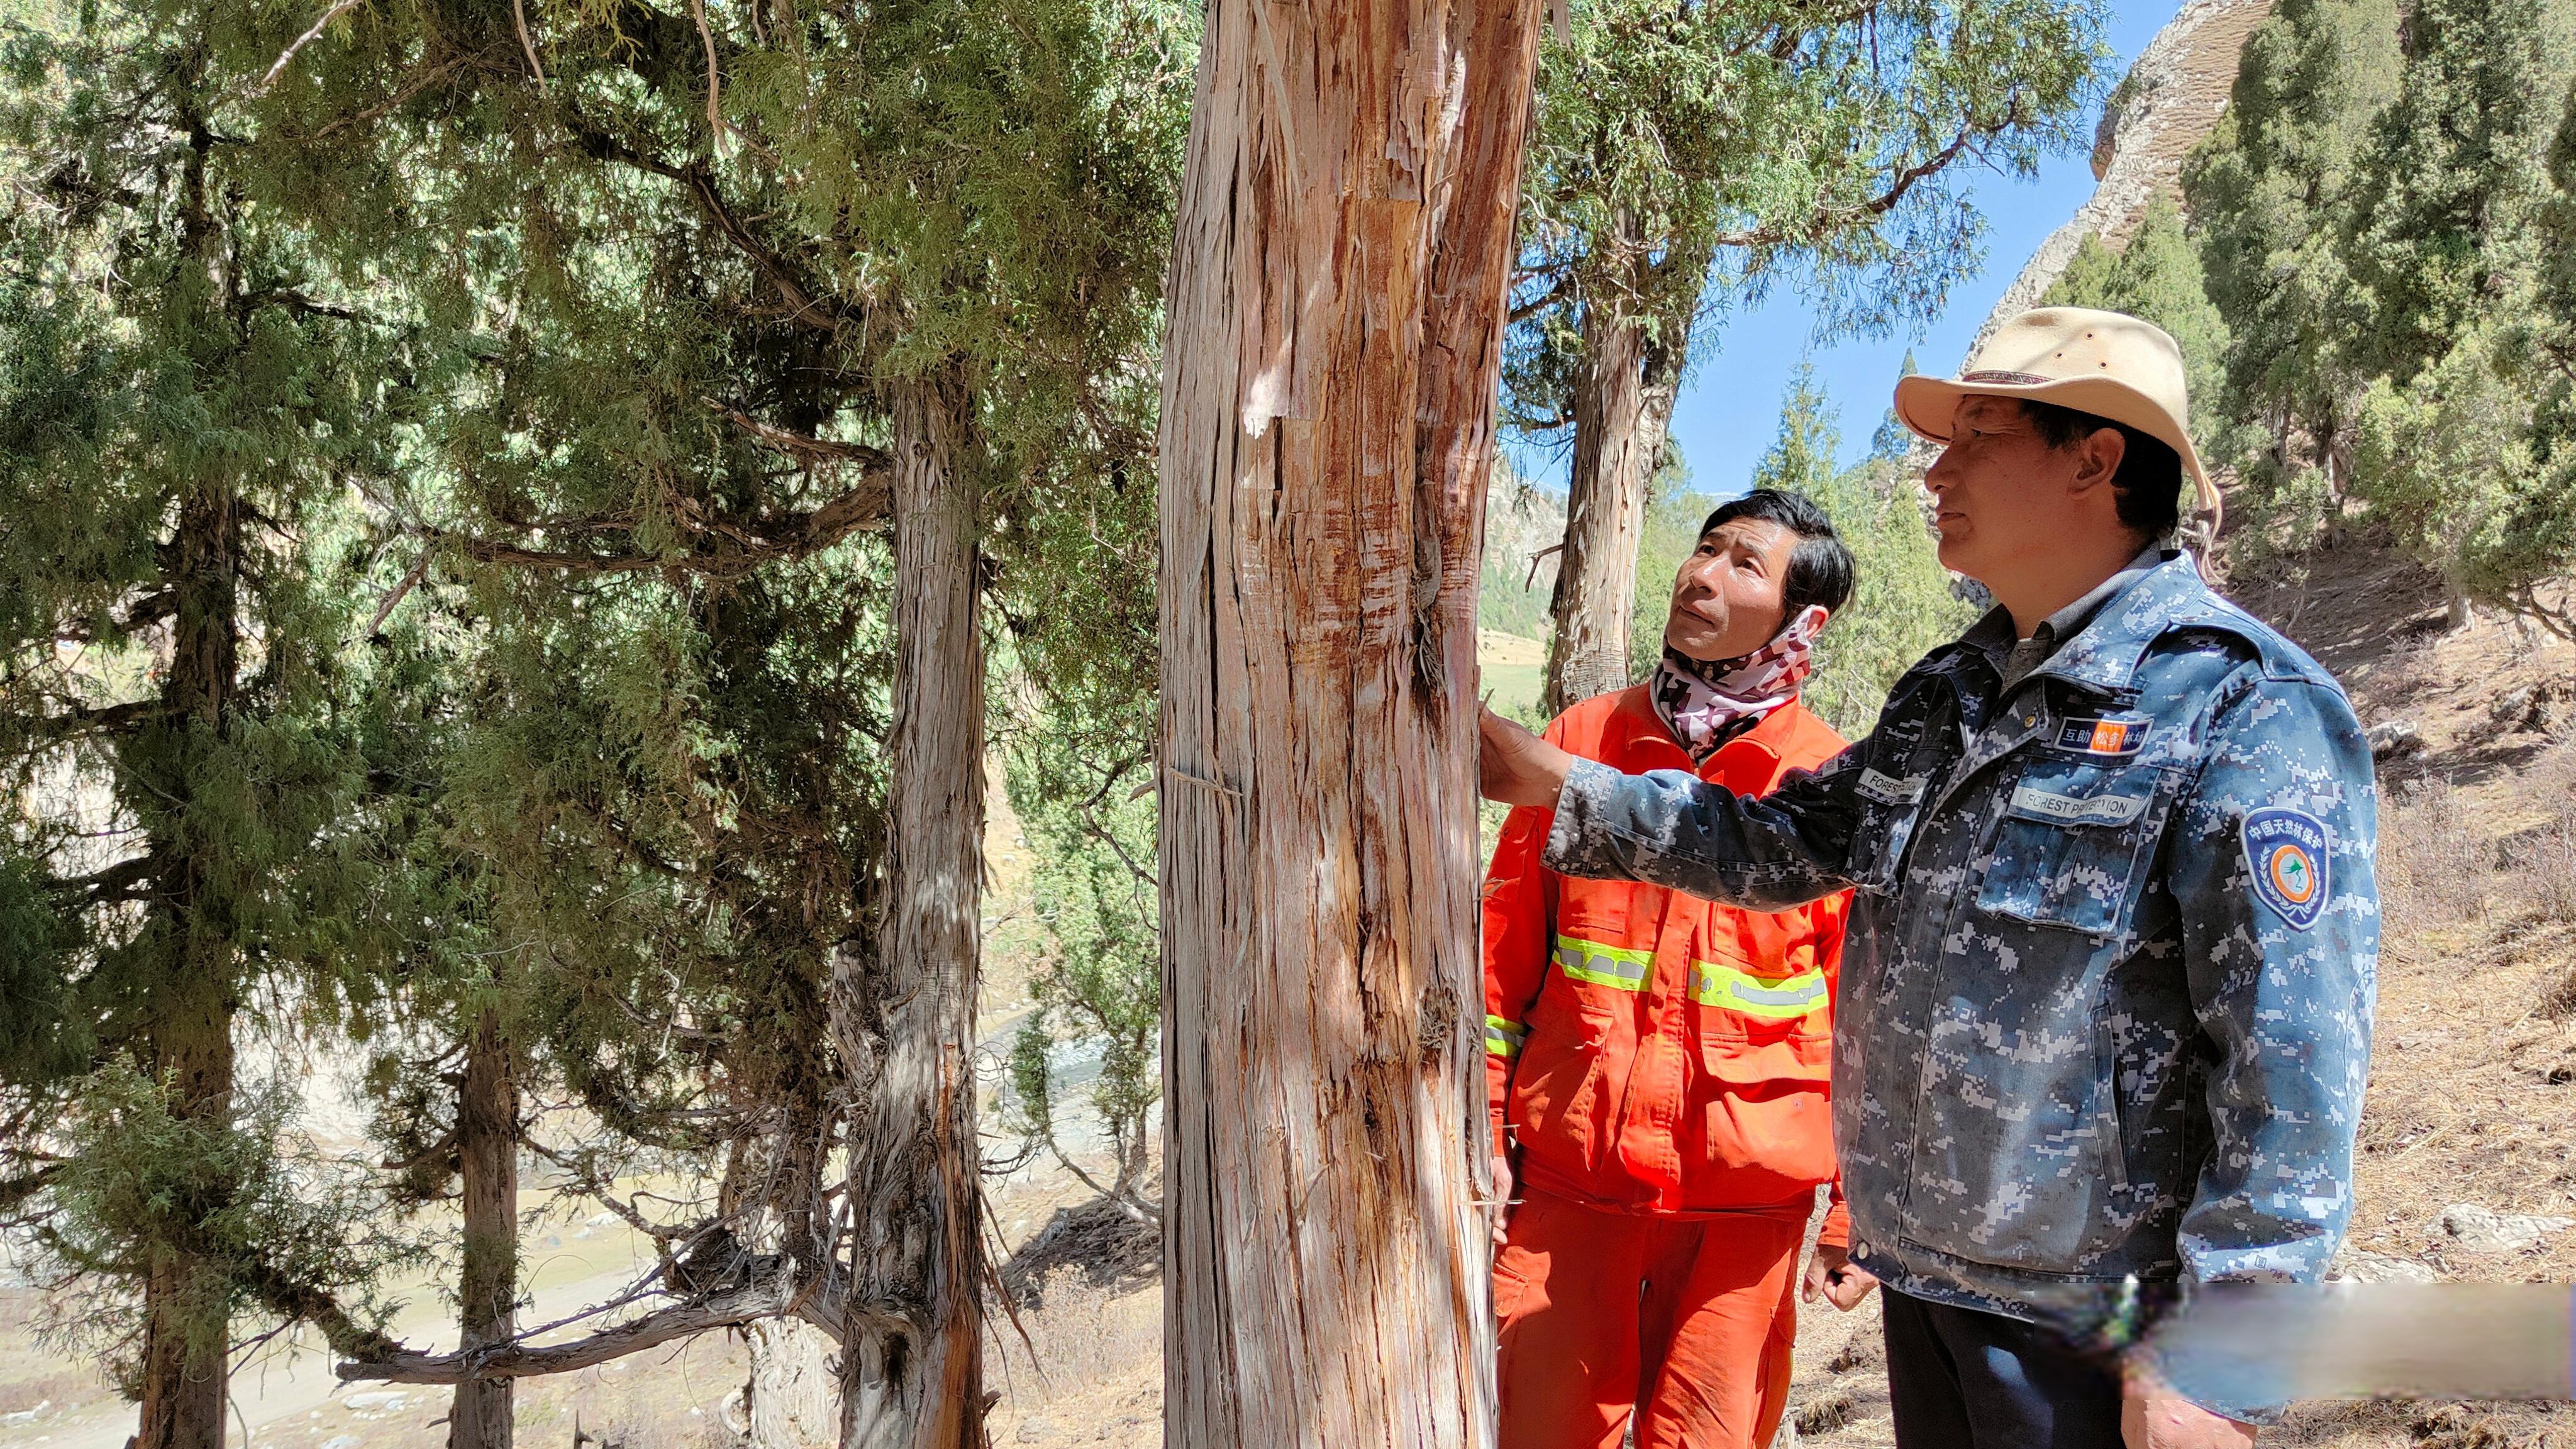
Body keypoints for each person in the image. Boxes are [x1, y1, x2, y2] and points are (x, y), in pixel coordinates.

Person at [1479, 308, 2379, 1449]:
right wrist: (1558, 781)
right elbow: (1776, 846)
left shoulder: (2243, 709)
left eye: (1979, 437)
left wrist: (2219, 1365)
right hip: (1937, 1289)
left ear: (2094, 459)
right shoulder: (1949, 694)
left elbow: (2293, 1064)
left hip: (2099, 1320)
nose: (1937, 468)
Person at [1483, 489, 1872, 1449]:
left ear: (1800, 621)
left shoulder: (1831, 786)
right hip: (1571, 1193)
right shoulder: (1579, 746)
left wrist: (1852, 1218)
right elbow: (1499, 959)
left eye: (1745, 565)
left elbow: (1869, 1015)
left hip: (1747, 1216)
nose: (1700, 575)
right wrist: (1478, 1129)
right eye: (1705, 549)